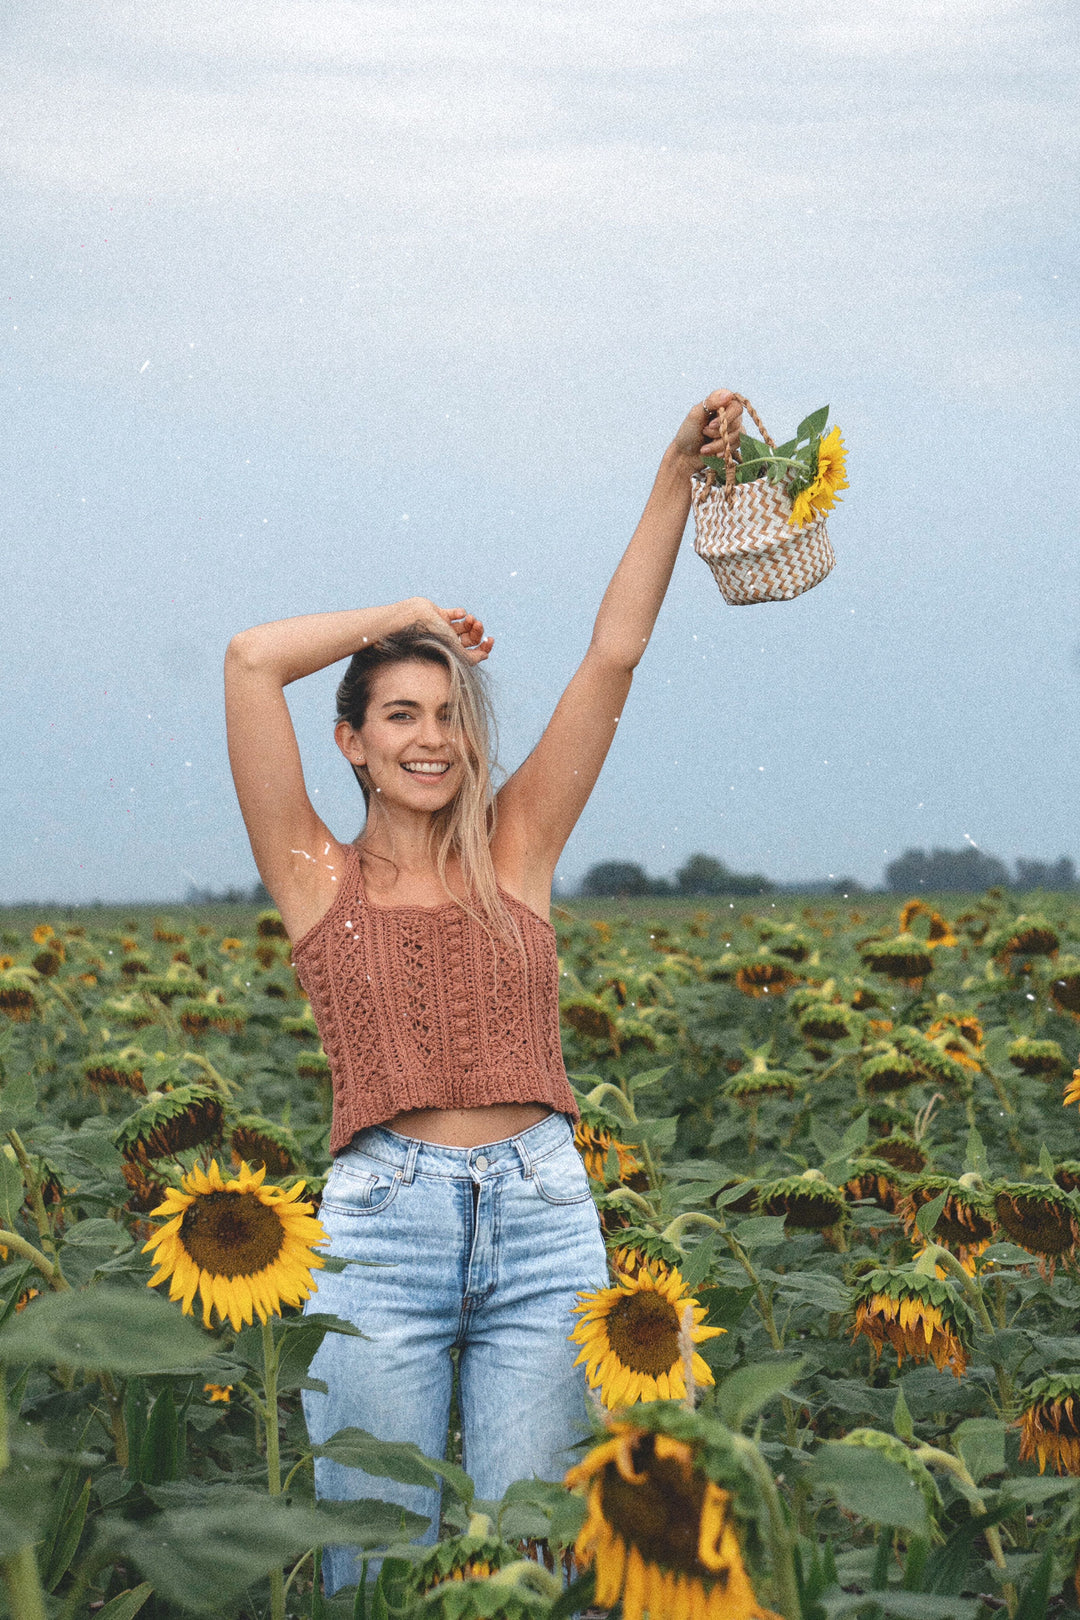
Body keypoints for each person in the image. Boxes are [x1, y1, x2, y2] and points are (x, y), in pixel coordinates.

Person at [224, 388, 743, 1593]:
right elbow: (254, 663)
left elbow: (614, 651)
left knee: (540, 1569)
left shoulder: (518, 851)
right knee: (379, 1577)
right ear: (349, 740)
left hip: (545, 1219)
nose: (432, 738)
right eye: (400, 713)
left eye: (451, 715)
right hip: (379, 1232)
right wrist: (402, 614)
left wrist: (673, 474)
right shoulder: (317, 879)